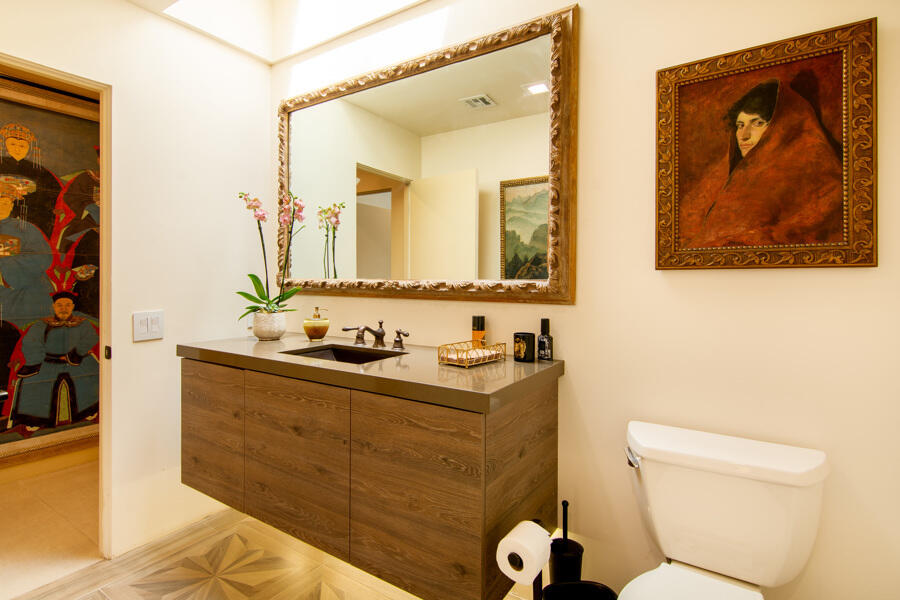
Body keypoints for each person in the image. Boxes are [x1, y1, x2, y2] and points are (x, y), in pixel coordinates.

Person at [679, 79, 843, 248]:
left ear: (784, 126)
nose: (744, 135)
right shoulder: (722, 178)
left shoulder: (820, 178)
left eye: (757, 123)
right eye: (740, 125)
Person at [7, 291, 98, 428]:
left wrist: (76, 353)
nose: (64, 308)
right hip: (47, 362)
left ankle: (88, 411)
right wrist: (37, 360)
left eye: (68, 305)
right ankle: (35, 420)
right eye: (60, 305)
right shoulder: (41, 325)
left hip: (77, 361)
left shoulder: (82, 324)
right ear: (54, 307)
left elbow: (90, 338)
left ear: (73, 306)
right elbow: (31, 343)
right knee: (32, 381)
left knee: (91, 374)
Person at [0, 181, 53, 327]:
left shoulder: (25, 229)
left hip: (22, 288)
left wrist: (4, 272)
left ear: (12, 206)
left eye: (6, 204)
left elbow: (42, 256)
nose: (3, 208)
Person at [0, 123, 62, 241]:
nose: (17, 149)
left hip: (29, 215)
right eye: (12, 144)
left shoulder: (42, 172)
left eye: (22, 146)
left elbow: (53, 195)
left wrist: (26, 198)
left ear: (29, 148)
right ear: (4, 145)